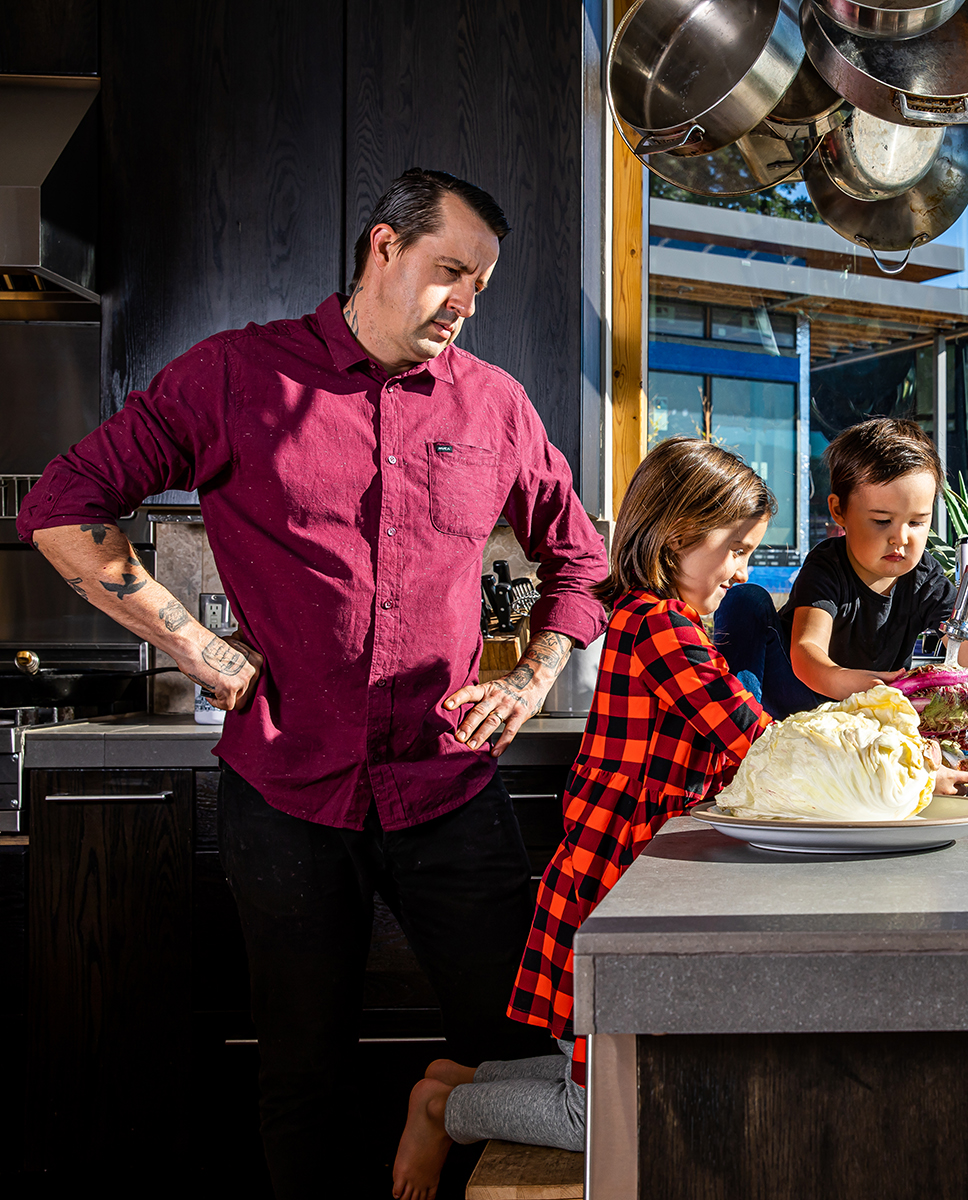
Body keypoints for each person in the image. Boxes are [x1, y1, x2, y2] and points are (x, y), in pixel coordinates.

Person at [16, 168, 610, 1198]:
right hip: (286, 797)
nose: (466, 300)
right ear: (383, 248)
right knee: (301, 1072)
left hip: (451, 790)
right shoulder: (235, 378)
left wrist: (535, 678)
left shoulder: (496, 403)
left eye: (482, 283)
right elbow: (64, 509)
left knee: (520, 1054)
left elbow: (582, 561)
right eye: (450, 271)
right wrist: (199, 652)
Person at [389, 438, 968, 1199]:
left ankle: (459, 1076)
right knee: (594, 1111)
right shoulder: (660, 626)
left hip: (618, 883)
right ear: (675, 540)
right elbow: (757, 740)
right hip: (613, 892)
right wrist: (889, 763)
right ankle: (447, 1107)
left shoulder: (667, 621)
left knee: (602, 1054)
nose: (742, 572)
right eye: (736, 551)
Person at [714, 417, 968, 719]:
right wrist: (856, 685)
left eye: (917, 522)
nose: (901, 538)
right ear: (839, 511)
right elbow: (805, 652)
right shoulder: (827, 566)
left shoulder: (925, 577)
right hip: (799, 696)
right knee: (745, 599)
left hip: (870, 711)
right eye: (882, 521)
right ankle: (738, 726)